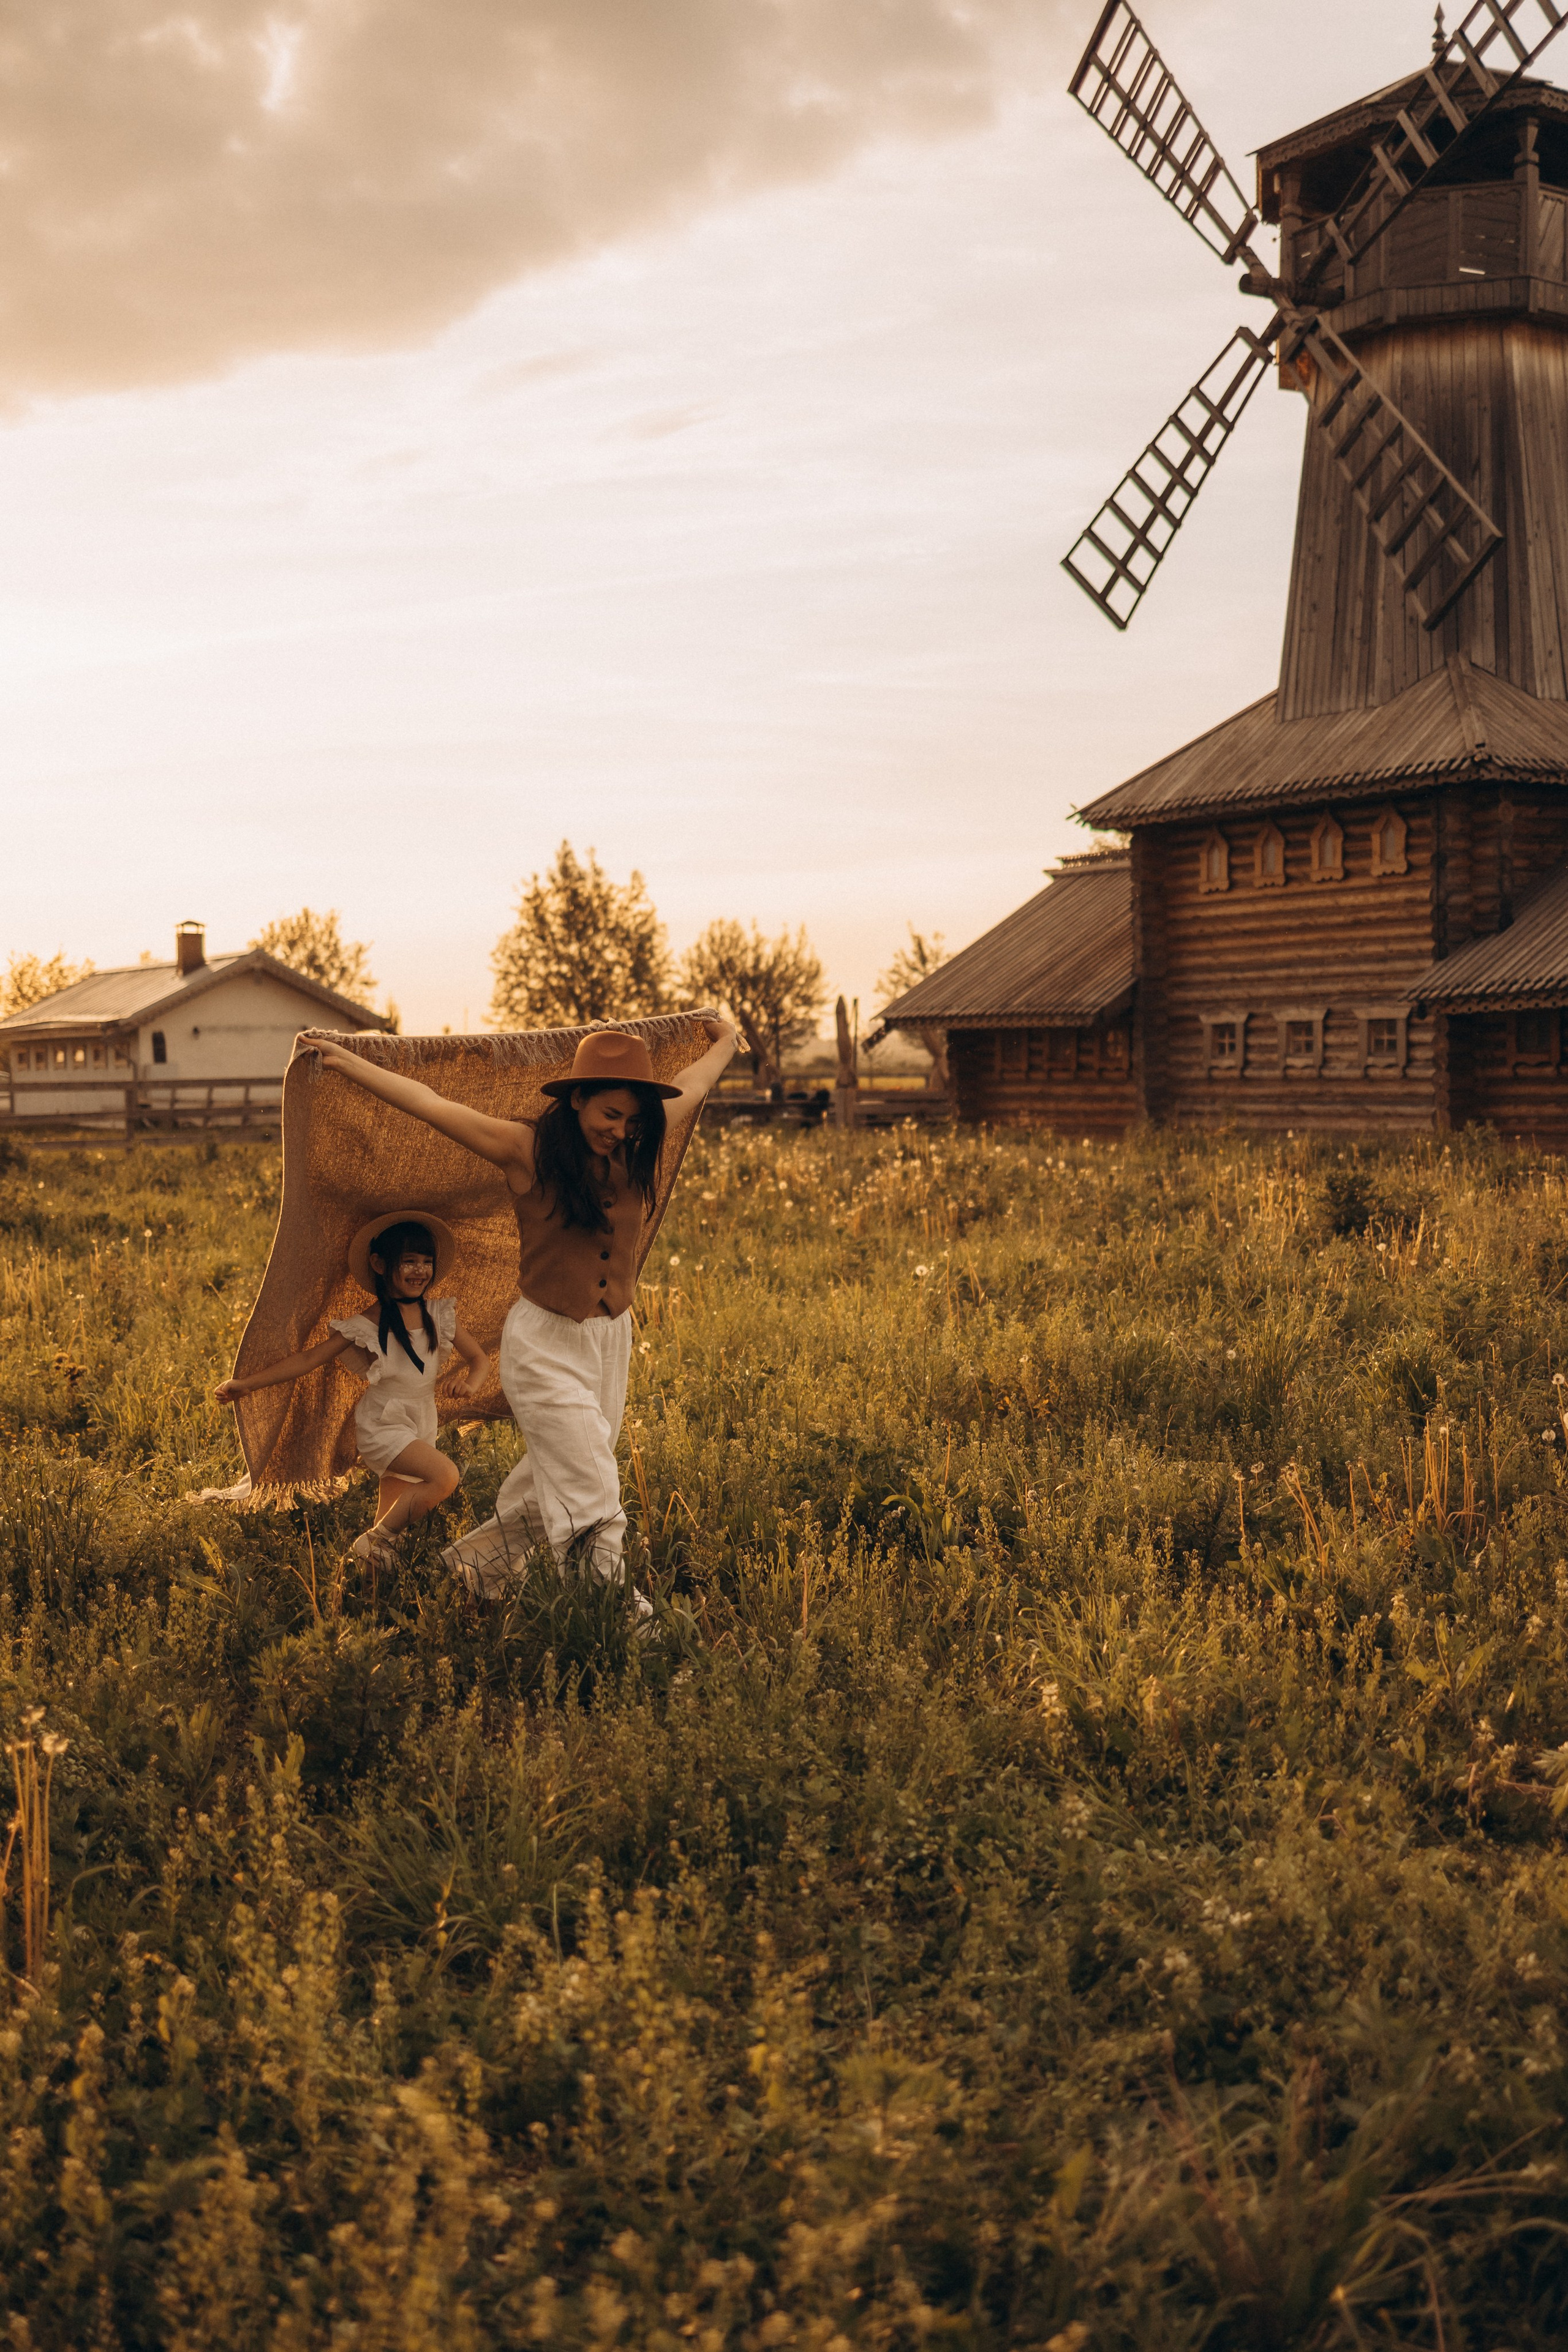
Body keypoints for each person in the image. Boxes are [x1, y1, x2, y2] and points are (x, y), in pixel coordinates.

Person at [293, 1019, 737, 1599]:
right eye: (610, 1115)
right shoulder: (525, 1151)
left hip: (610, 1342)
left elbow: (694, 1084)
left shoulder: (641, 1144)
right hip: (545, 1345)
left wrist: (728, 1043)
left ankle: (472, 1574)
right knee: (590, 1480)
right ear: (577, 1099)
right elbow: (432, 1106)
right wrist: (346, 1062)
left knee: (555, 1474)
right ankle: (613, 1614)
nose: (621, 1130)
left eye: (633, 1119)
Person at [214, 1212, 490, 1564]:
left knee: (391, 1522)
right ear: (379, 1263)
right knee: (445, 1476)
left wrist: (468, 1384)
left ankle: (364, 1586)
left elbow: (480, 1360)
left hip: (422, 1421)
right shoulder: (366, 1324)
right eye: (409, 1262)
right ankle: (373, 1541)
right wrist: (247, 1384)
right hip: (383, 1424)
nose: (420, 1271)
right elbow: (307, 1359)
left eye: (426, 1262)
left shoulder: (440, 1314)